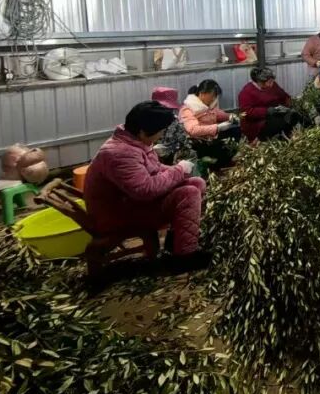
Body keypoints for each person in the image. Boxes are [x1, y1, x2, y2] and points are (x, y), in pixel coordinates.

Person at [84, 101, 209, 273]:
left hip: (129, 204)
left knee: (196, 182)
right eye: (160, 132)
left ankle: (176, 241)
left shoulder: (133, 142)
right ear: (143, 131)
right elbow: (145, 190)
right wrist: (179, 170)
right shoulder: (120, 154)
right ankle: (185, 257)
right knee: (188, 193)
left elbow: (154, 169)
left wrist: (178, 170)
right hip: (116, 214)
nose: (161, 135)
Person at [180, 80, 241, 170]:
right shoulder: (188, 109)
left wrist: (230, 116)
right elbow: (192, 129)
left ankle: (223, 162)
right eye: (212, 96)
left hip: (211, 137)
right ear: (202, 93)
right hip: (199, 142)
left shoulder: (207, 106)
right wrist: (217, 127)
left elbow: (218, 114)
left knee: (235, 130)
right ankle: (213, 164)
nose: (213, 99)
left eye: (215, 96)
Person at [237, 67, 299, 142]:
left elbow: (283, 95)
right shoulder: (246, 92)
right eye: (269, 82)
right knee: (281, 121)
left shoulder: (272, 85)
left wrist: (290, 103)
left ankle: (288, 137)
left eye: (272, 81)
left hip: (275, 114)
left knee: (294, 115)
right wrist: (266, 111)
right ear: (260, 82)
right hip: (257, 123)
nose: (271, 84)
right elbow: (246, 112)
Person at [150, 87, 195, 164]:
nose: (165, 111)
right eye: (161, 107)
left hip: (172, 160)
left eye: (169, 108)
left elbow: (183, 143)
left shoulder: (174, 121)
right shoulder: (146, 120)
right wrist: (151, 149)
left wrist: (168, 150)